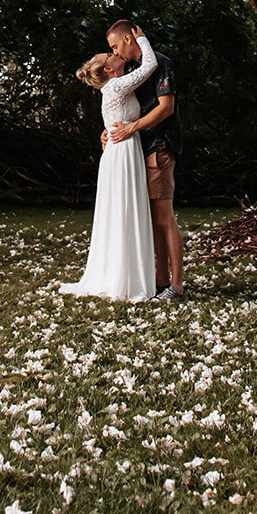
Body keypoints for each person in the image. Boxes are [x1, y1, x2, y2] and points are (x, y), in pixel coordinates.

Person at [61, 29, 158, 302]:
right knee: (124, 209)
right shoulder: (116, 85)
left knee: (123, 210)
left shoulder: (116, 85)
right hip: (123, 150)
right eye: (111, 54)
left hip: (122, 148)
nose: (116, 54)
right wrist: (141, 39)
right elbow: (150, 65)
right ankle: (123, 278)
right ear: (109, 69)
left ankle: (123, 272)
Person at [105, 18, 185, 301]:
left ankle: (177, 285)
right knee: (153, 219)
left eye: (115, 46)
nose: (115, 53)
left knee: (165, 218)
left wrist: (131, 128)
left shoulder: (160, 63)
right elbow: (125, 110)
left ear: (128, 39)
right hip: (141, 150)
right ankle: (160, 280)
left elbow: (166, 108)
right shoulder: (133, 71)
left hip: (159, 147)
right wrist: (110, 130)